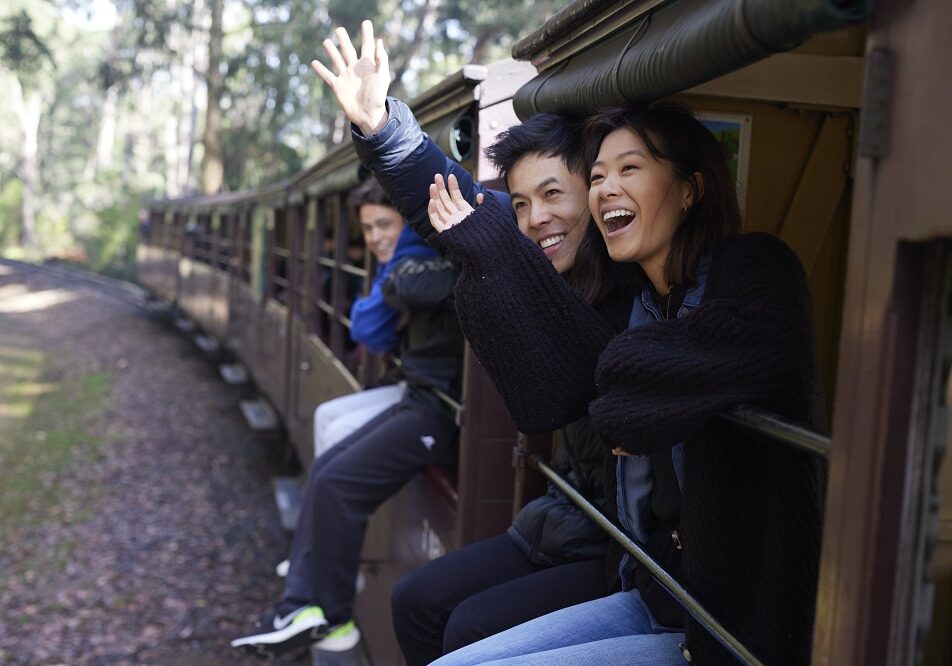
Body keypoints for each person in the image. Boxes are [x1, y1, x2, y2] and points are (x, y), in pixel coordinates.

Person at [425, 104, 825, 665]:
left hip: (727, 632)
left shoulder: (756, 266)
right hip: (656, 593)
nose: (606, 187)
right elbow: (546, 400)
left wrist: (625, 388)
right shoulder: (635, 299)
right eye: (596, 176)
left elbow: (636, 380)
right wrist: (482, 247)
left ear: (690, 189)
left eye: (629, 168)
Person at [311, 21, 636, 664]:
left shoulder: (627, 285)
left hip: (616, 544)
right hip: (563, 520)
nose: (535, 217)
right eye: (519, 204)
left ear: (594, 197)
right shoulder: (540, 262)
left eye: (552, 195)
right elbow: (456, 204)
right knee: (416, 601)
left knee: (465, 629)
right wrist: (381, 126)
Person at [230, 178, 464, 658]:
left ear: (412, 224)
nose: (376, 237)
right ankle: (307, 592)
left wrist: (401, 269)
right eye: (369, 228)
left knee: (337, 482)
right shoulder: (409, 264)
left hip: (446, 412)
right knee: (325, 468)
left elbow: (377, 319)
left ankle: (327, 614)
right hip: (422, 399)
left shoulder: (435, 254)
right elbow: (371, 325)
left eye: (386, 224)